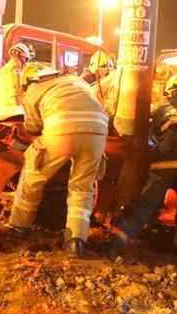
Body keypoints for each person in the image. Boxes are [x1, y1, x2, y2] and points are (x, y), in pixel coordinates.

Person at [7, 63, 109, 257]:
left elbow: (32, 127)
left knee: (33, 176)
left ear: (29, 80)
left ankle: (19, 227)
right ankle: (75, 241)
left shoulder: (34, 89)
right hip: (97, 132)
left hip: (62, 130)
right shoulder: (77, 82)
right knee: (82, 188)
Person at [110, 73, 177, 256]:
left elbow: (151, 135)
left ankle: (119, 240)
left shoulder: (162, 109)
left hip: (169, 158)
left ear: (170, 92)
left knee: (148, 201)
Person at [0, 42, 33, 112]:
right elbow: (18, 92)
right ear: (21, 57)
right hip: (12, 110)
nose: (25, 63)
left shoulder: (3, 70)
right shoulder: (16, 70)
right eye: (25, 59)